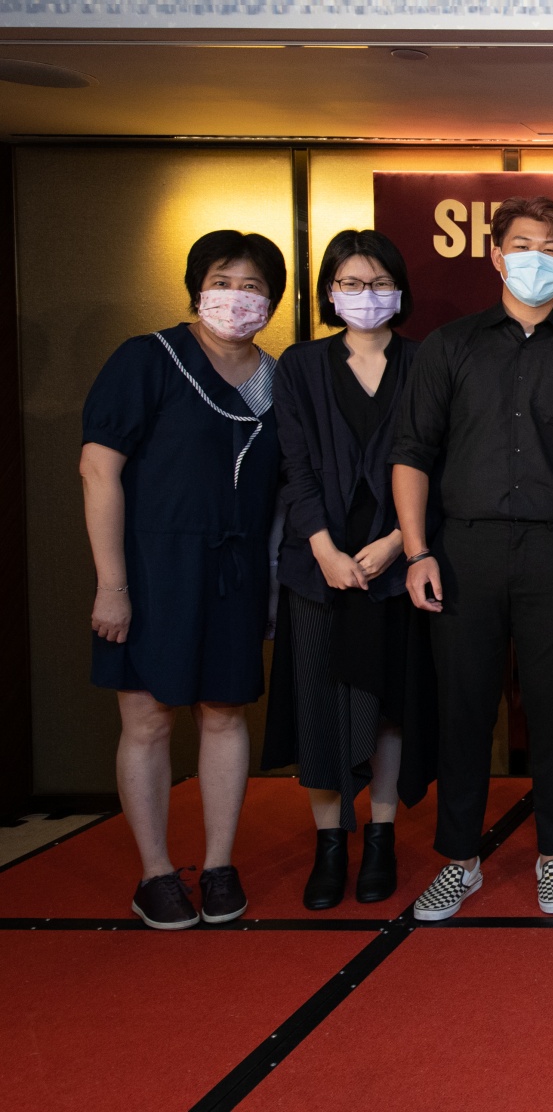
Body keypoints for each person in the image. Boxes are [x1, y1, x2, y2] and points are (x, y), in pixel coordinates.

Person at [391, 196, 553, 921]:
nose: (536, 258)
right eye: (522, 245)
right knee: (464, 710)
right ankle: (460, 861)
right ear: (496, 256)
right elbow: (412, 453)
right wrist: (416, 550)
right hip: (464, 548)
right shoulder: (450, 347)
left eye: (551, 248)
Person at [80, 230, 286, 929]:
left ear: (272, 301)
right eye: (223, 282)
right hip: (152, 566)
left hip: (237, 568)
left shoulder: (278, 380)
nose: (237, 297)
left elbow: (283, 494)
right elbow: (98, 471)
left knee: (225, 711)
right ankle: (156, 873)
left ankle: (220, 865)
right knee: (147, 717)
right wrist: (112, 585)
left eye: (253, 287)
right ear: (197, 287)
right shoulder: (148, 358)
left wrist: (273, 581)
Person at [264, 229, 438, 910]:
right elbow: (294, 466)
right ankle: (330, 843)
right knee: (320, 705)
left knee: (390, 704)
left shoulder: (426, 360)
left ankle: (382, 838)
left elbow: (441, 461)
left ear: (400, 289)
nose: (367, 296)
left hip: (397, 561)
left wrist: (399, 541)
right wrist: (325, 550)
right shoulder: (300, 365)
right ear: (330, 292)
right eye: (351, 284)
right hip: (321, 565)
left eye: (379, 283)